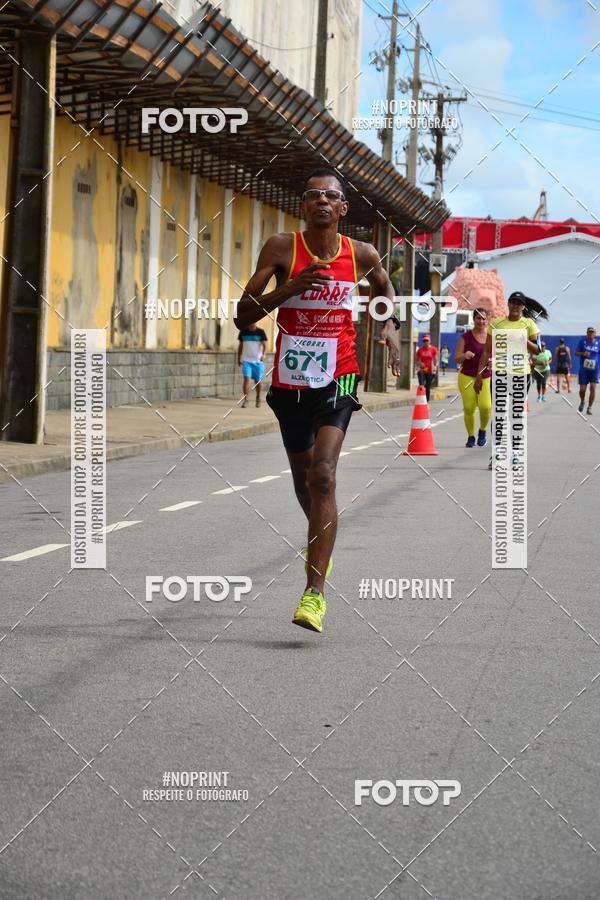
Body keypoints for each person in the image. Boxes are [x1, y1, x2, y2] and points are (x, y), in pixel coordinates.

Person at [234, 167, 400, 634]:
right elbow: (242, 314)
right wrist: (289, 287)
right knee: (306, 481)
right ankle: (322, 540)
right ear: (303, 207)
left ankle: (313, 593)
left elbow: (384, 287)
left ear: (343, 208)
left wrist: (389, 328)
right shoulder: (281, 247)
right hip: (289, 384)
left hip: (340, 378)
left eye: (331, 195)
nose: (322, 201)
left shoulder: (361, 253)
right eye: (312, 195)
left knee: (323, 476)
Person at [475, 291, 548, 469]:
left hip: (520, 374)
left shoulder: (528, 324)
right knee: (499, 415)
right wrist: (479, 375)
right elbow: (486, 351)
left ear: (523, 306)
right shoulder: (497, 324)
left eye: (518, 303)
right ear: (508, 304)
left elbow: (537, 350)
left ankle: (515, 455)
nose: (515, 306)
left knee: (516, 416)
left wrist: (522, 339)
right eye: (512, 302)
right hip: (500, 373)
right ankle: (498, 454)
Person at [455, 308, 491, 448]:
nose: (481, 321)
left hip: (485, 376)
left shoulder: (491, 337)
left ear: (488, 320)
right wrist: (464, 355)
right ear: (473, 319)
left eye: (484, 318)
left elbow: (499, 356)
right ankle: (471, 436)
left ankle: (482, 431)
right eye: (478, 318)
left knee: (485, 407)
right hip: (467, 376)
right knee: (469, 408)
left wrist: (493, 361)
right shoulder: (466, 337)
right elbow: (457, 358)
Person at [237, 323, 268, 407]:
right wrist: (238, 358)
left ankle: (258, 397)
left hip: (257, 361)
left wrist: (264, 354)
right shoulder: (243, 332)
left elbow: (264, 345)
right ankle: (246, 400)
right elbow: (240, 346)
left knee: (257, 381)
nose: (251, 324)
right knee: (246, 379)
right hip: (246, 360)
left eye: (253, 322)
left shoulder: (260, 332)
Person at [574, 326, 599, 415]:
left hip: (594, 370)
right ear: (587, 333)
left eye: (592, 332)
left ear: (595, 334)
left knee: (592, 388)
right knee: (582, 390)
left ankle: (589, 408)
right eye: (589, 332)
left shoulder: (598, 343)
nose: (591, 334)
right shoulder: (582, 342)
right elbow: (576, 353)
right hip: (584, 370)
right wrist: (583, 353)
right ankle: (582, 401)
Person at [415, 334, 438, 402]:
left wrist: (435, 367)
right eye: (424, 341)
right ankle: (421, 398)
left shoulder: (433, 349)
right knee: (421, 385)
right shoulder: (420, 350)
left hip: (430, 370)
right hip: (422, 370)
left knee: (427, 387)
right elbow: (416, 360)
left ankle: (426, 401)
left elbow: (435, 359)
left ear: (429, 341)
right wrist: (419, 363)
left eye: (427, 340)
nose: (425, 342)